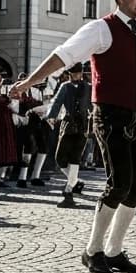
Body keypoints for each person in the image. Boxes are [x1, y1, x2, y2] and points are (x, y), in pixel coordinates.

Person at [11, 0, 136, 273]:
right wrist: (29, 82)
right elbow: (62, 56)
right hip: (109, 115)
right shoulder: (100, 29)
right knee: (118, 183)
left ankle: (115, 250)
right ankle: (92, 250)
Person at [48, 63, 92, 207]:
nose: (75, 76)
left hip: (83, 127)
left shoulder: (88, 87)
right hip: (68, 125)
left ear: (81, 73)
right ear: (69, 74)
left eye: (77, 73)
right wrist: (51, 116)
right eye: (73, 74)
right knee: (59, 158)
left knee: (75, 159)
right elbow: (57, 102)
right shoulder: (65, 86)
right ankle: (75, 181)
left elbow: (93, 105)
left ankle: (69, 190)